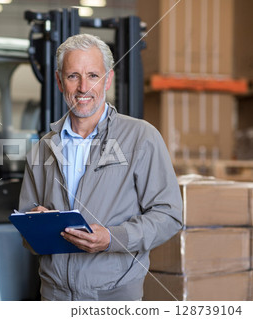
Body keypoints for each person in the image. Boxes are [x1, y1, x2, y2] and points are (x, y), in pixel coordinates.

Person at [18, 34, 183, 301]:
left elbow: (169, 215)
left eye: (93, 75)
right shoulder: (43, 148)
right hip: (54, 296)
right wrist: (36, 224)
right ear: (60, 82)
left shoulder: (141, 137)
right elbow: (27, 235)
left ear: (107, 80)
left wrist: (113, 238)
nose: (83, 87)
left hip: (113, 297)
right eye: (73, 76)